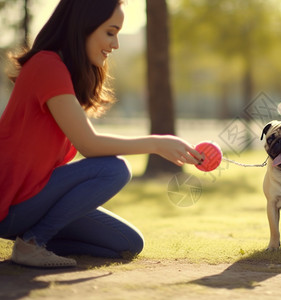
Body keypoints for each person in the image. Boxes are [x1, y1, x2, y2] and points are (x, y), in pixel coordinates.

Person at [0, 0, 203, 268]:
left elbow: (88, 138)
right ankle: (34, 242)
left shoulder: (61, 70)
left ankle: (34, 240)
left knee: (127, 243)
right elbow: (90, 144)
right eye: (110, 32)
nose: (115, 44)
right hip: (13, 203)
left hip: (34, 199)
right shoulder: (47, 65)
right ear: (82, 27)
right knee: (114, 169)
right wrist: (156, 143)